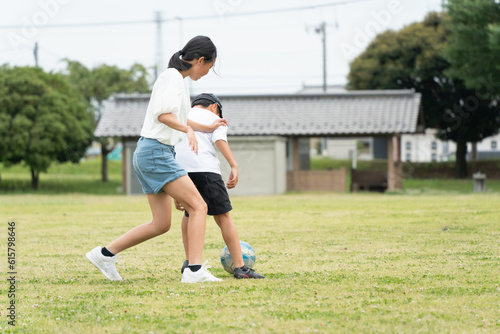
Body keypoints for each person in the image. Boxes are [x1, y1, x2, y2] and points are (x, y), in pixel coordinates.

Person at [86, 36, 227, 283]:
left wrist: (205, 127)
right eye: (209, 67)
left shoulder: (179, 81)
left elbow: (179, 119)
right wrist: (188, 131)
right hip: (155, 152)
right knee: (199, 206)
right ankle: (194, 271)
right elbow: (163, 116)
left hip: (153, 153)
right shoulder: (172, 77)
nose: (206, 73)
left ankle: (104, 254)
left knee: (161, 224)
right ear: (200, 60)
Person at [174, 93, 265, 279]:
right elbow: (219, 140)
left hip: (182, 171)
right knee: (223, 216)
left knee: (189, 213)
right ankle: (240, 267)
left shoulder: (182, 116)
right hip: (206, 170)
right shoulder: (214, 118)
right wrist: (233, 164)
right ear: (214, 106)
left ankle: (189, 262)